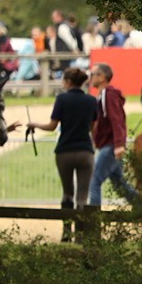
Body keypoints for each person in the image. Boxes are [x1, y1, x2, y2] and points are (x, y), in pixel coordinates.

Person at [26, 68, 97, 242]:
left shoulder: (62, 99)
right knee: (82, 196)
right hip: (85, 151)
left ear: (68, 82)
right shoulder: (91, 100)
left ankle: (66, 233)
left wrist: (34, 124)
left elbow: (52, 126)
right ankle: (81, 236)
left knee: (67, 193)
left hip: (64, 151)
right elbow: (92, 128)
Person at [88, 63, 138, 206]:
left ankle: (93, 217)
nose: (90, 78)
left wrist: (119, 145)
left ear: (102, 77)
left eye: (92, 74)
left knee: (94, 180)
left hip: (111, 146)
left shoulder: (108, 95)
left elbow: (116, 120)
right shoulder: (103, 95)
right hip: (110, 145)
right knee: (119, 183)